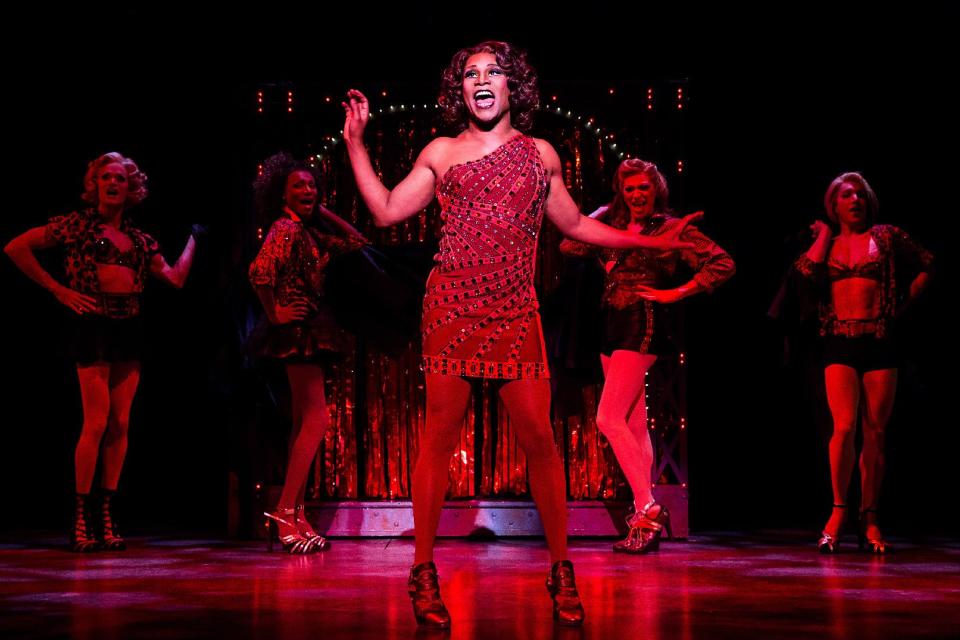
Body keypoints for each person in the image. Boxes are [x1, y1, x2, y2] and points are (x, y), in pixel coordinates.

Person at [342, 41, 699, 627]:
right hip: (451, 307)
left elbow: (579, 225)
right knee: (437, 439)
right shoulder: (441, 152)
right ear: (461, 91)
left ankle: (561, 571)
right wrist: (356, 144)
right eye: (470, 74)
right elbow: (383, 210)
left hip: (515, 311)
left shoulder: (540, 155)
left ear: (513, 87)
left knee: (540, 440)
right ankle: (423, 572)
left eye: (493, 72)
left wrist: (651, 242)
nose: (481, 80)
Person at [4, 152, 201, 552]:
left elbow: (176, 278)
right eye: (105, 177)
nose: (113, 184)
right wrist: (59, 290)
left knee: (121, 423)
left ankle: (106, 512)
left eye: (120, 179)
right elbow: (16, 247)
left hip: (129, 328)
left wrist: (196, 238)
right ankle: (80, 515)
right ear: (94, 185)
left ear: (131, 189)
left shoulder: (141, 240)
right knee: (95, 422)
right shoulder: (77, 225)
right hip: (92, 325)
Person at [559, 157, 734, 553]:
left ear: (657, 190)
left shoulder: (670, 228)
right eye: (629, 188)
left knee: (608, 418)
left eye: (644, 187)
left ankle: (648, 508)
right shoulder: (613, 227)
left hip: (643, 322)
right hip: (611, 325)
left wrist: (678, 292)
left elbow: (723, 263)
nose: (637, 194)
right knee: (634, 426)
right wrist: (603, 211)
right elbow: (569, 243)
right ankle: (645, 523)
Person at [793, 172, 933, 554]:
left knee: (875, 431)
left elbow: (926, 263)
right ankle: (839, 511)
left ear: (867, 200)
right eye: (845, 194)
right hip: (839, 342)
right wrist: (823, 234)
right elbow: (803, 276)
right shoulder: (826, 242)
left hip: (879, 341)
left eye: (859, 193)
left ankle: (870, 516)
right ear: (834, 204)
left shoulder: (885, 237)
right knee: (843, 427)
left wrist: (901, 306)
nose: (854, 199)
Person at [249, 152, 366, 554]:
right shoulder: (284, 228)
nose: (308, 190)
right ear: (281, 193)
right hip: (296, 329)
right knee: (317, 419)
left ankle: (296, 513)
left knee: (303, 421)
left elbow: (357, 242)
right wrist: (275, 312)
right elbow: (259, 272)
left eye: (312, 185)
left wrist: (323, 210)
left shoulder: (308, 232)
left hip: (308, 327)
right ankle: (285, 510)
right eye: (298, 185)